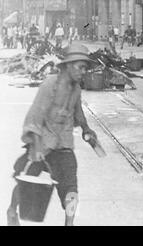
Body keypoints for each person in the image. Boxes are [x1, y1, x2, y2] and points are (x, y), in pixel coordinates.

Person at [7, 44, 98, 226]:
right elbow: (35, 117)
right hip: (43, 144)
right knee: (26, 181)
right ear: (69, 66)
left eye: (85, 68)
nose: (83, 72)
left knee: (71, 190)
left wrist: (86, 129)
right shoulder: (50, 85)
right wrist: (37, 146)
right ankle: (12, 210)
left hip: (64, 146)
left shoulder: (76, 89)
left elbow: (78, 110)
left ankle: (69, 224)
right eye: (80, 67)